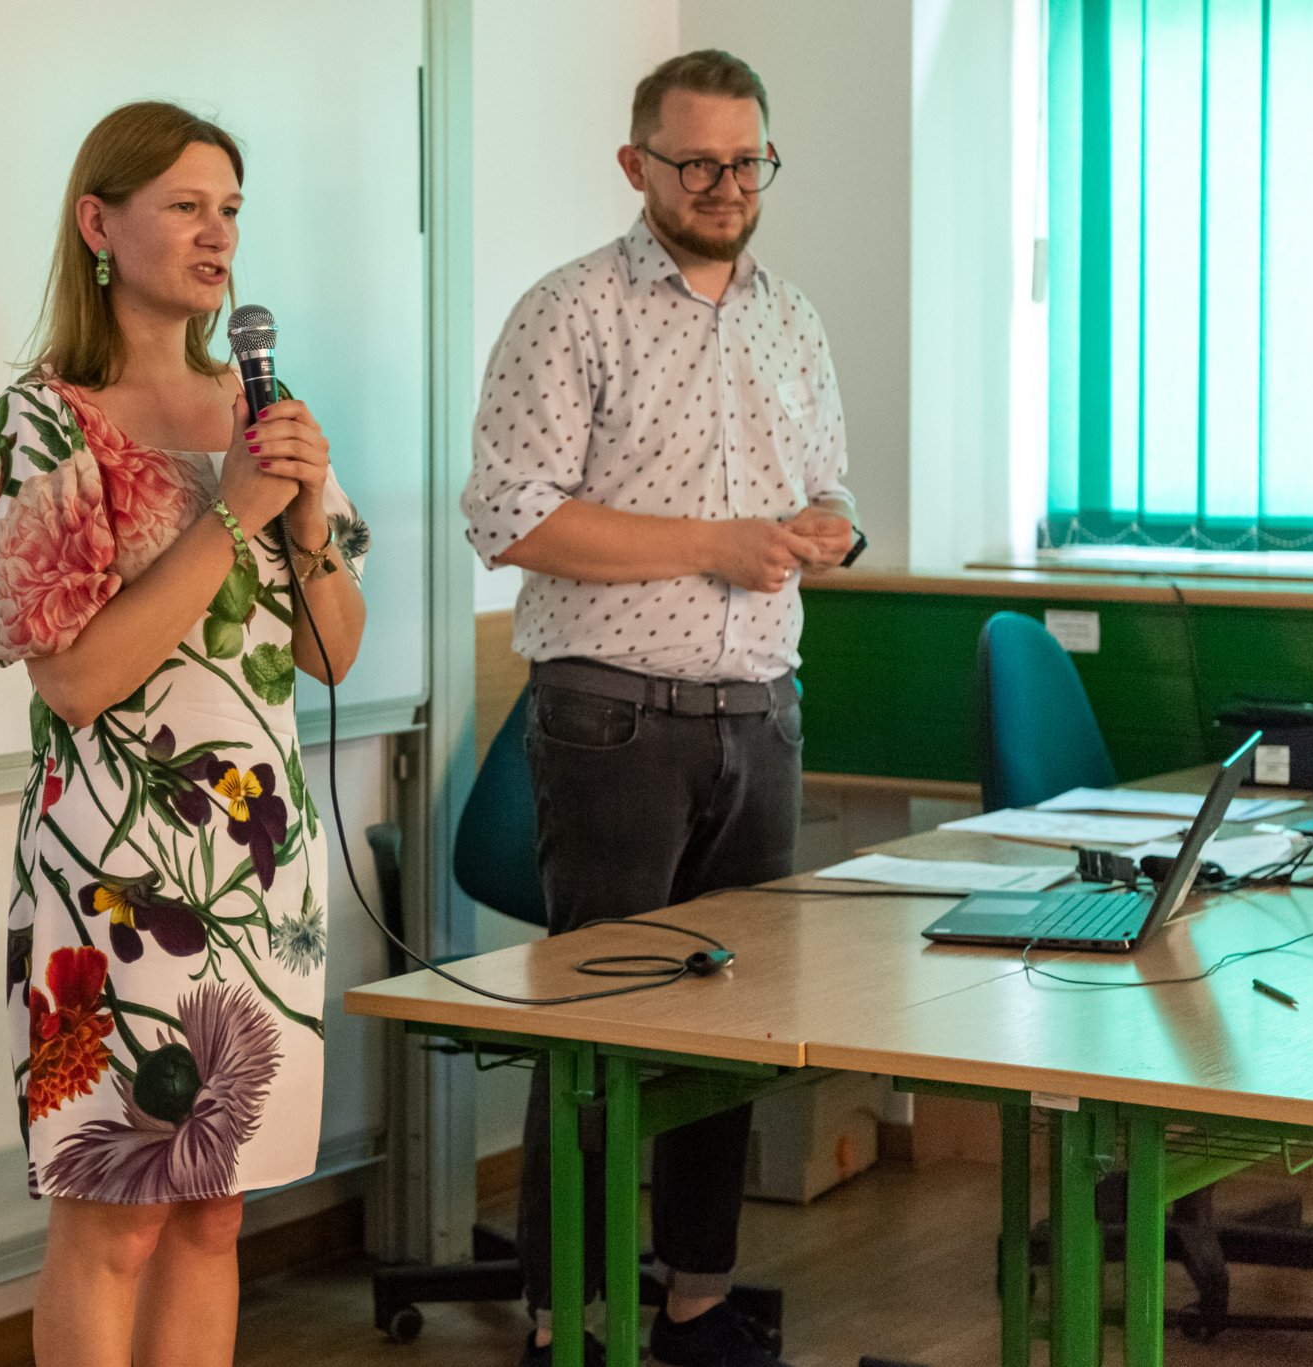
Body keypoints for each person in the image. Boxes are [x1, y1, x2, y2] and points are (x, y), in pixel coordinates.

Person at [460, 50, 857, 1367]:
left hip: (763, 711)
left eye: (749, 162)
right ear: (636, 165)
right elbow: (511, 518)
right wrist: (714, 543)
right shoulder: (570, 310)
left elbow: (830, 485)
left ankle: (694, 1299)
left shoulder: (791, 317)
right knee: (600, 1028)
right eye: (697, 164)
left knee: (725, 1025)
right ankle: (562, 1317)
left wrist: (831, 527)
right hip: (612, 717)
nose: (727, 186)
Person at [0, 101, 368, 1367]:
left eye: (230, 209)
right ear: (99, 224)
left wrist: (304, 523)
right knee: (117, 1212)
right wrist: (231, 515)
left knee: (212, 1211)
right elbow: (78, 678)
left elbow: (332, 651)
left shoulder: (261, 406)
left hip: (258, 865)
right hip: (116, 875)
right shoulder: (41, 422)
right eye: (185, 206)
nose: (217, 235)